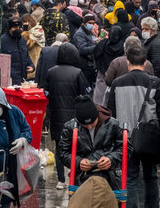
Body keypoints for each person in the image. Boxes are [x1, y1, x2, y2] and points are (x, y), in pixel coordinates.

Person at [107, 45, 160, 208]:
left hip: (125, 138)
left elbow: (111, 114)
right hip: (149, 137)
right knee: (151, 176)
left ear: (128, 61)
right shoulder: (154, 82)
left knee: (130, 178)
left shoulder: (117, 83)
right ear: (145, 63)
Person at [57, 96, 123, 190]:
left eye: (92, 123)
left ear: (97, 116)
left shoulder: (112, 124)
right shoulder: (70, 126)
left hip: (109, 178)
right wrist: (78, 162)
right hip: (80, 179)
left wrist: (111, 159)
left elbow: (125, 148)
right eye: (84, 125)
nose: (89, 127)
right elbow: (62, 152)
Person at [46, 43, 88, 189]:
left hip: (56, 117)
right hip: (74, 117)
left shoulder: (51, 72)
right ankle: (72, 173)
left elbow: (47, 92)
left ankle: (60, 180)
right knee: (75, 147)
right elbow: (85, 94)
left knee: (59, 148)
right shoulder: (78, 73)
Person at [1, 18, 34, 84]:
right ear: (10, 28)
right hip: (9, 80)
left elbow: (26, 55)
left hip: (22, 79)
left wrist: (32, 66)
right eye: (15, 27)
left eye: (20, 27)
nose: (18, 29)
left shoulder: (22, 40)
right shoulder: (3, 41)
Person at [73, 14, 99, 88]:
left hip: (90, 63)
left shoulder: (89, 31)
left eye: (93, 23)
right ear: (85, 23)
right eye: (90, 23)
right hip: (84, 64)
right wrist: (96, 47)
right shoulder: (80, 34)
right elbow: (82, 49)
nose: (92, 25)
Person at [141, 16, 160, 86]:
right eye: (143, 29)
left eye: (146, 29)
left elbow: (157, 66)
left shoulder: (156, 44)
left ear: (153, 31)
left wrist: (152, 82)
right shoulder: (147, 42)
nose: (143, 31)